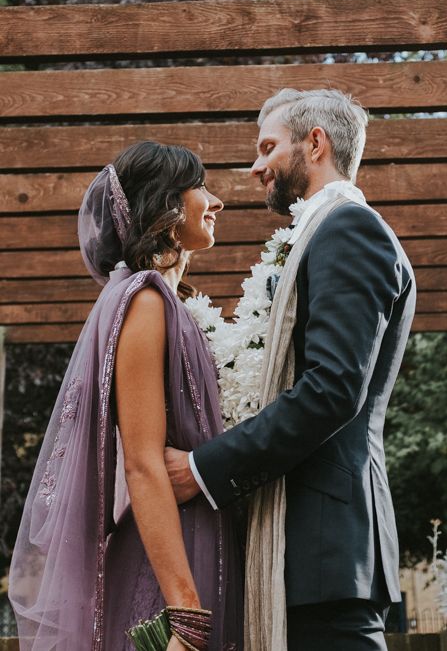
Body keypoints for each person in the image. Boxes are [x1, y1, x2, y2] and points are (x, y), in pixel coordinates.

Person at [164, 89, 416, 650]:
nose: (255, 166)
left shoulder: (350, 229)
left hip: (323, 545)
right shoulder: (318, 234)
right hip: (306, 548)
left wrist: (202, 468)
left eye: (268, 147)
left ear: (316, 143)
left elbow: (332, 390)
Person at [9, 141, 244, 651]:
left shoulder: (163, 299)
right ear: (168, 205)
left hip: (199, 539)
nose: (217, 202)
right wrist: (185, 613)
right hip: (172, 565)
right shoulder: (143, 301)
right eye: (201, 187)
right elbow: (141, 462)